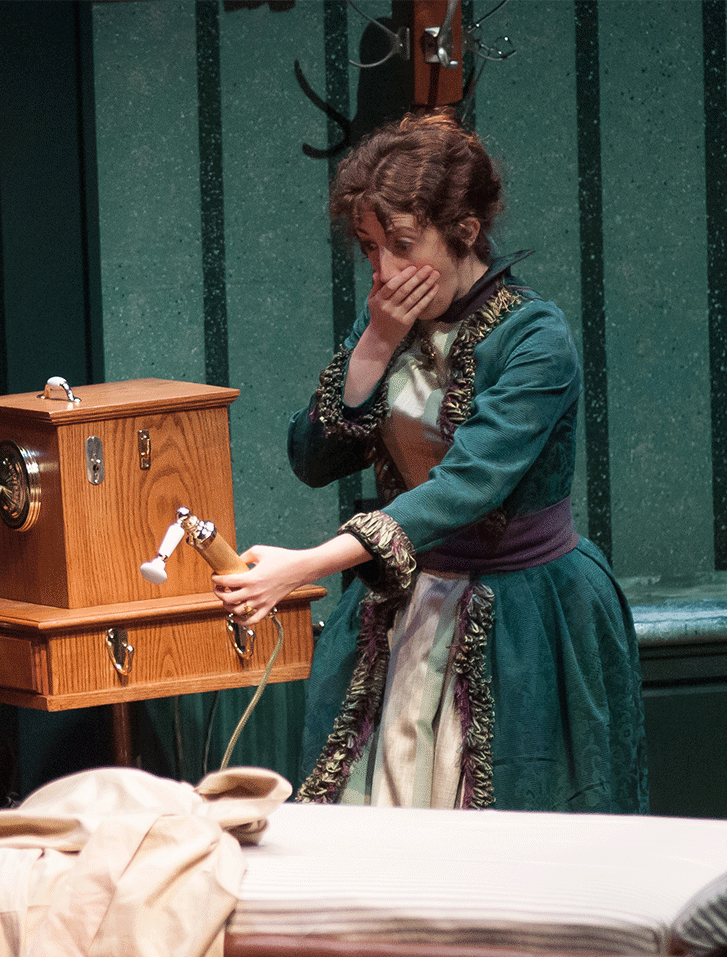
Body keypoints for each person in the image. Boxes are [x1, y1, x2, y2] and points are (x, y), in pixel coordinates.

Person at [212, 110, 648, 813]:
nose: (383, 271)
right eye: (368, 249)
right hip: (407, 603)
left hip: (523, 615)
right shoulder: (388, 315)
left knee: (512, 825)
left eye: (402, 244)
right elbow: (310, 457)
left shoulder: (535, 336)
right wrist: (375, 346)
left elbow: (464, 487)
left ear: (465, 232)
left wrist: (303, 565)